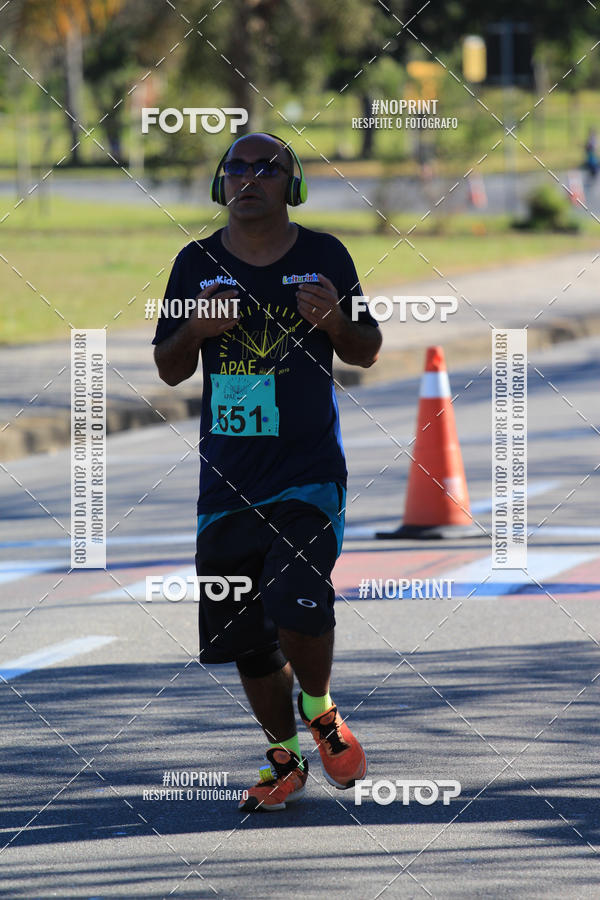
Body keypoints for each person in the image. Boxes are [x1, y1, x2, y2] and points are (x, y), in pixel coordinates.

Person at [153, 132, 381, 811]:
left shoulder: (325, 256)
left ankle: (321, 710)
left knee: (296, 602)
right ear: (221, 183)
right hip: (227, 480)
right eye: (237, 167)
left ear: (293, 185)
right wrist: (196, 330)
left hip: (308, 471)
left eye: (266, 168)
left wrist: (336, 322)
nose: (249, 178)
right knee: (247, 638)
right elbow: (169, 368)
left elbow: (367, 350)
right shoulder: (194, 263)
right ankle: (284, 758)